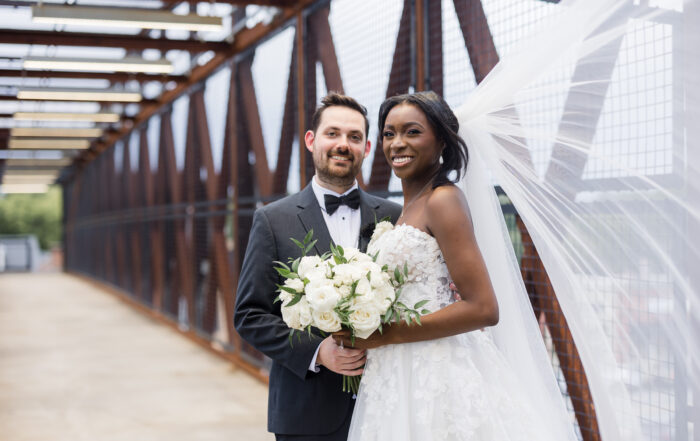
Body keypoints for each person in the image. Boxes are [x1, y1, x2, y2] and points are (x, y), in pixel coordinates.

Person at [333, 91, 566, 440]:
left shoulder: (444, 200)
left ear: (441, 139)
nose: (397, 143)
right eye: (388, 133)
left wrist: (384, 335)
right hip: (396, 371)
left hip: (437, 372)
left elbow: (484, 308)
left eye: (412, 132)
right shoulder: (408, 209)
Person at [233, 92, 402, 441]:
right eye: (333, 133)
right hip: (306, 413)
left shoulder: (393, 217)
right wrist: (317, 352)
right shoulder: (272, 220)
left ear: (366, 148)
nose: (343, 144)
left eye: (354, 137)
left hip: (386, 407)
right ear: (312, 141)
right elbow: (249, 315)